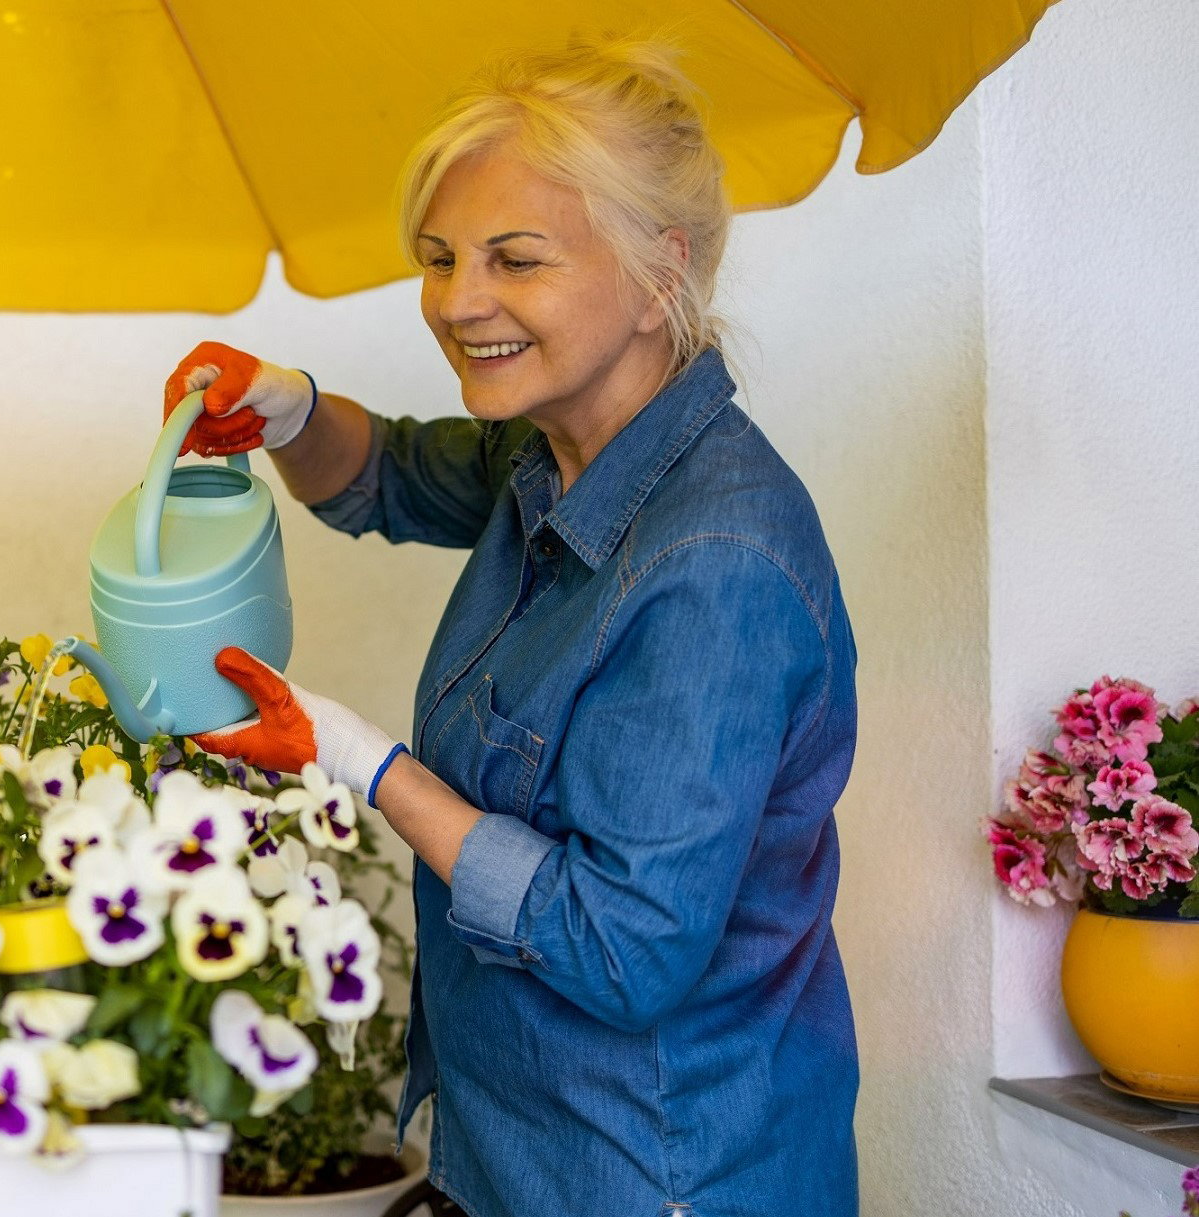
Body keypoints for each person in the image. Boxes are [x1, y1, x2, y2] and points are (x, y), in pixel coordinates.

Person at [168, 42, 860, 1217]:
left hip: (659, 1177)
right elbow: (379, 473)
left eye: (513, 259)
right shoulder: (551, 454)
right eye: (438, 260)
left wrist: (360, 762)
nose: (456, 302)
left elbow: (623, 948)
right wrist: (283, 406)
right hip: (519, 1158)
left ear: (658, 274)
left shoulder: (714, 565)